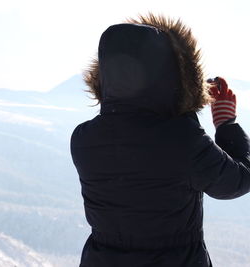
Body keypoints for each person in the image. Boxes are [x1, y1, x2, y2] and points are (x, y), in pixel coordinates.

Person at [70, 14, 250, 267]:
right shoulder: (183, 140)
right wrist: (226, 123)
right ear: (173, 73)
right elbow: (236, 181)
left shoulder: (83, 138)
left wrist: (184, 115)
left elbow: (143, 154)